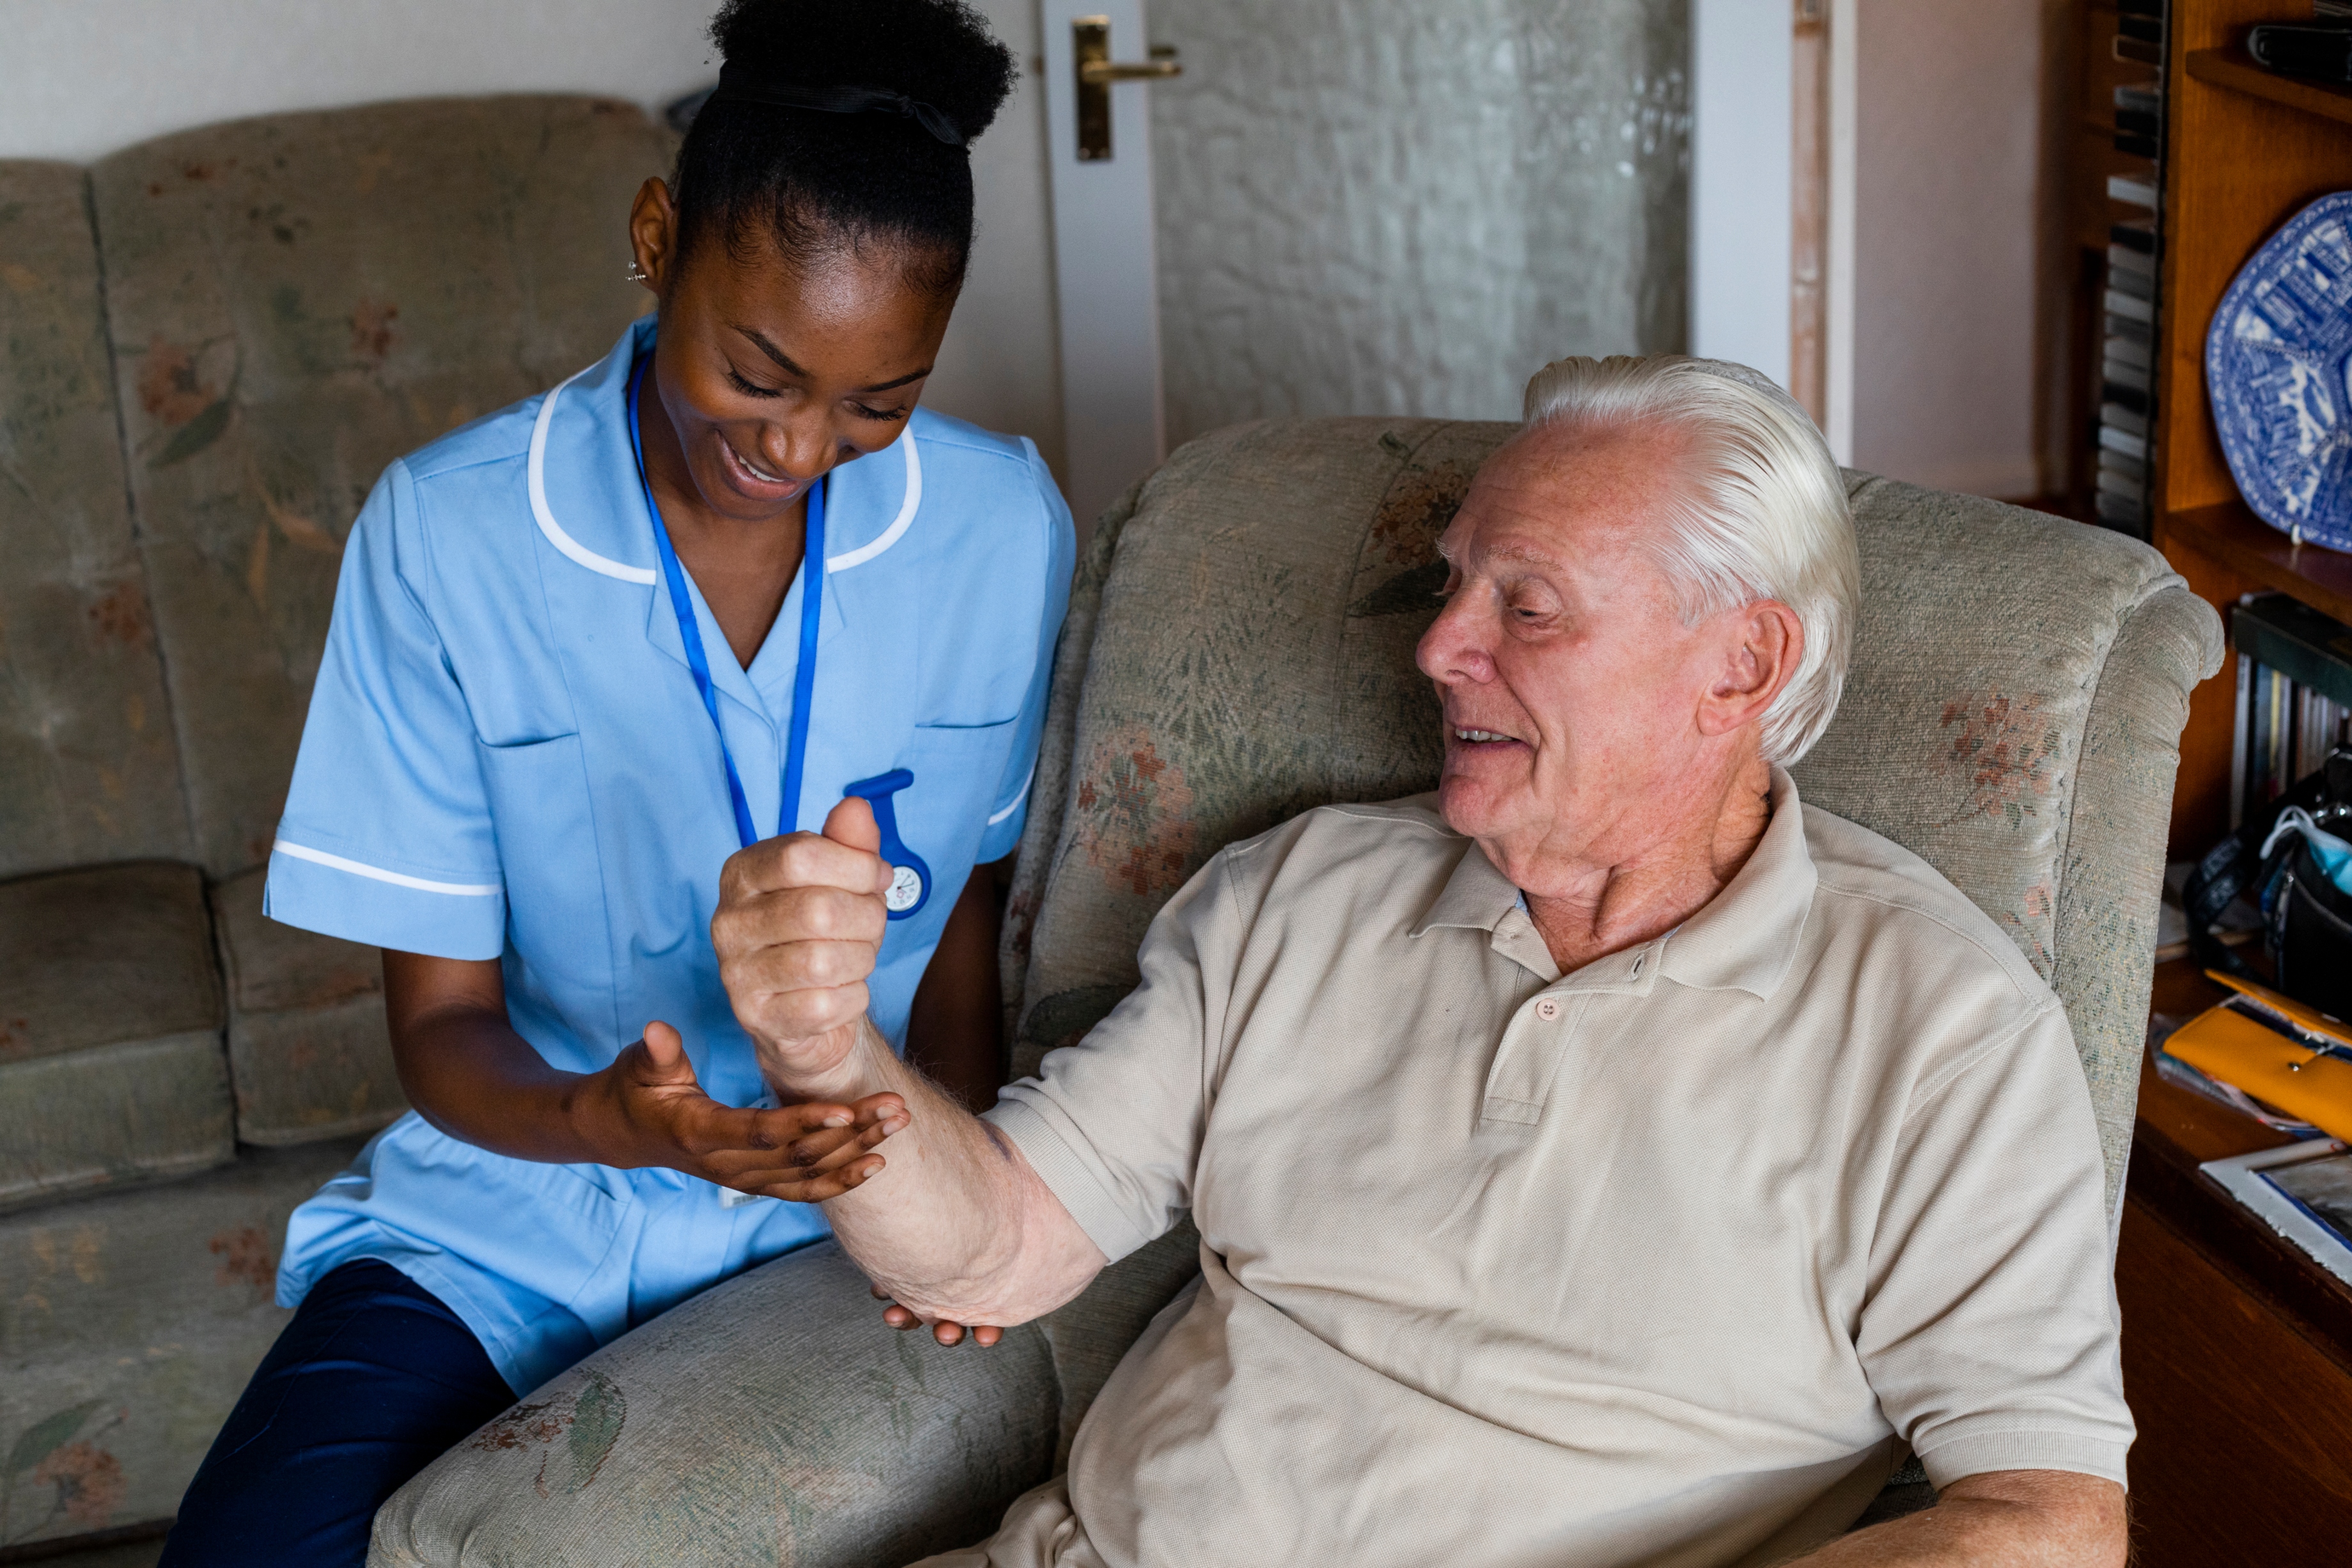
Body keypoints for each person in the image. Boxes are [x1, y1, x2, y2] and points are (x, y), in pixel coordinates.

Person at [724, 357, 2135, 1567]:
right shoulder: (1304, 890)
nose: (1441, 647)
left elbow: (2047, 1517)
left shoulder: (1937, 1033)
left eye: (1529, 607)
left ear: (1741, 665)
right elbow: (999, 1251)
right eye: (1454, 585)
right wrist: (825, 1053)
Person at [158, 3, 1071, 1563]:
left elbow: (972, 915)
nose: (799, 446)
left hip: (843, 1218)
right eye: (758, 371)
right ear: (658, 239)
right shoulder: (448, 535)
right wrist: (619, 1121)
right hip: (519, 1208)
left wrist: (959, 1204)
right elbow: (441, 1032)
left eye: (878, 400)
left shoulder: (1001, 531)